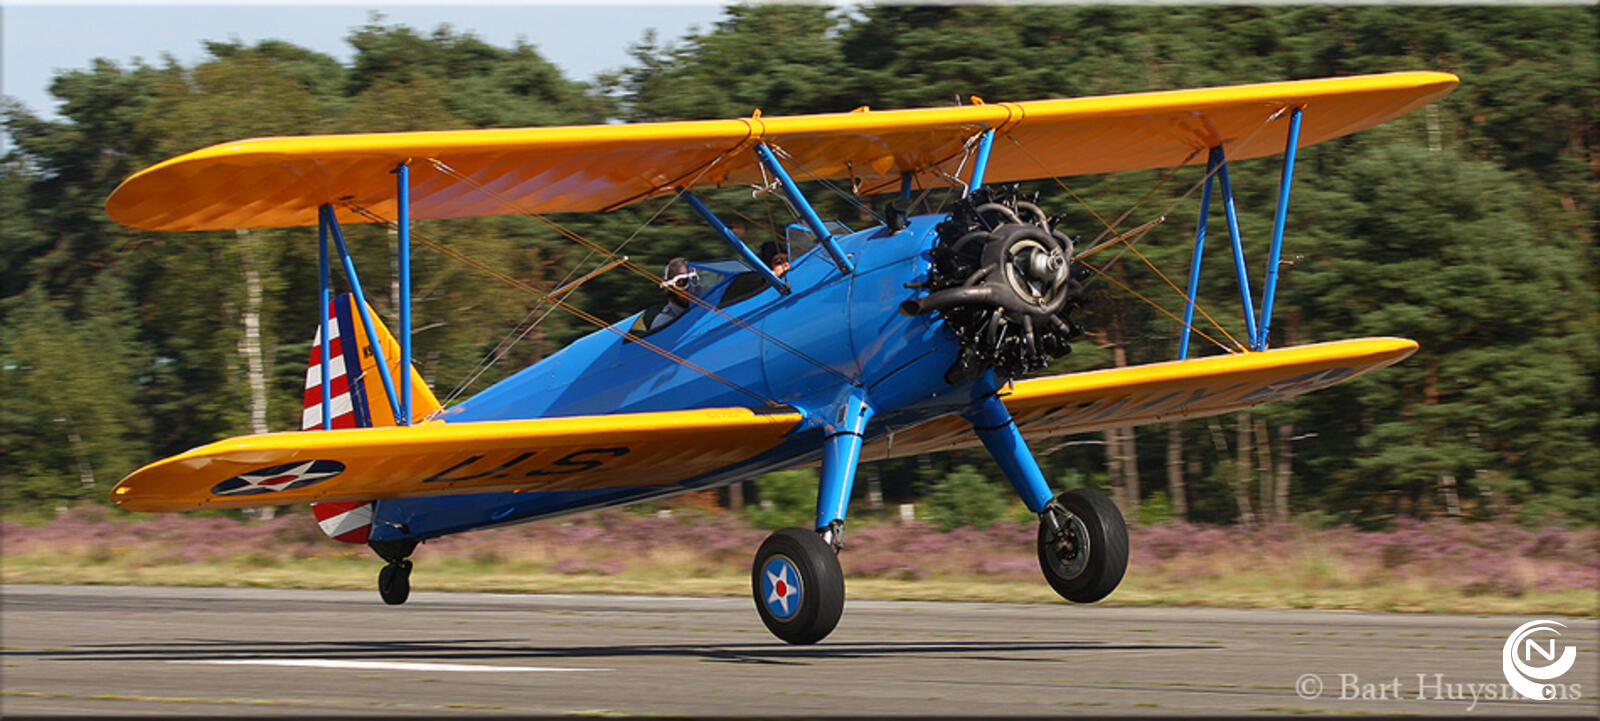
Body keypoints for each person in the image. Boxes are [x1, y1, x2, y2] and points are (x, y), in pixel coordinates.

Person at [649, 257, 699, 330]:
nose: (689, 288)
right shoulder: (664, 322)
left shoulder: (705, 310)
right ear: (670, 287)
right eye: (681, 282)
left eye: (693, 280)